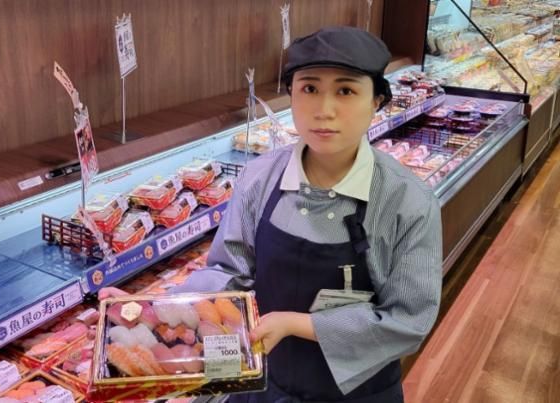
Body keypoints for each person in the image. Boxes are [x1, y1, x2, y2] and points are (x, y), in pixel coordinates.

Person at [100, 26, 442, 403]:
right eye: (309, 88)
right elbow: (228, 272)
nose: (324, 110)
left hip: (359, 392)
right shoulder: (260, 177)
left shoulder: (407, 201)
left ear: (376, 100)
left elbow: (408, 320)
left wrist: (298, 324)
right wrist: (156, 308)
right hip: (264, 381)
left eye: (346, 91)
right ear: (291, 95)